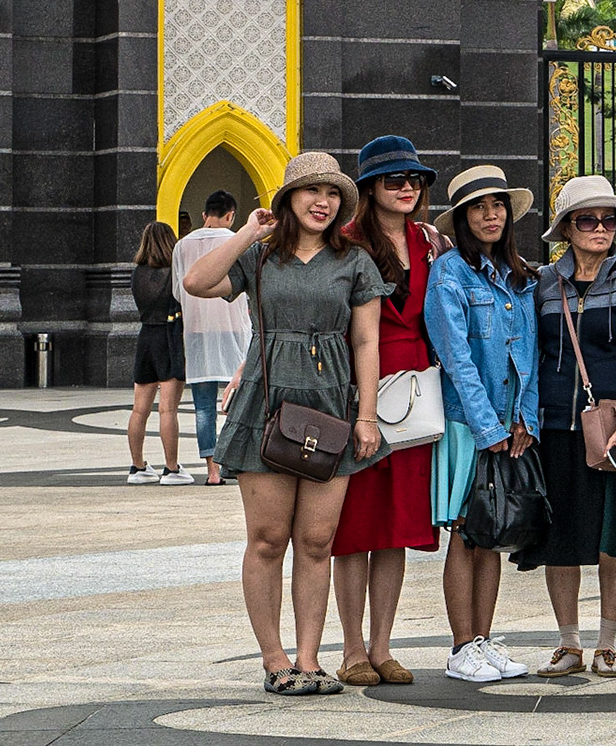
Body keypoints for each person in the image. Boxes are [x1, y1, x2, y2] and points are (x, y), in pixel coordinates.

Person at [182, 152, 389, 696]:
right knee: (269, 538)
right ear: (287, 199)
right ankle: (275, 660)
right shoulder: (259, 258)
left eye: (332, 194)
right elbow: (197, 282)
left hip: (330, 406)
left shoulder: (355, 261)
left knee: (317, 540)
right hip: (265, 404)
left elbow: (367, 341)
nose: (322, 202)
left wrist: (366, 416)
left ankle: (309, 658)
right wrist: (248, 231)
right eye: (310, 191)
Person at [513, 175, 616, 679]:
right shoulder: (542, 283)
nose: (600, 228)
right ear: (567, 229)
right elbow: (530, 352)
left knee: (614, 534)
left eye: (608, 219)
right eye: (587, 220)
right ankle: (569, 642)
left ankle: (608, 643)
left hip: (615, 425)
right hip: (554, 424)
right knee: (561, 534)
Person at [331, 137, 448, 687]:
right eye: (393, 180)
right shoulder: (346, 242)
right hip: (362, 392)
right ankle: (352, 649)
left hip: (419, 392)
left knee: (397, 527)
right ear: (369, 189)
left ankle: (383, 646)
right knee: (355, 527)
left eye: (414, 180)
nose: (406, 188)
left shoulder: (430, 242)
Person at [424, 165, 542, 684]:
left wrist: (525, 418)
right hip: (467, 422)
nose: (490, 215)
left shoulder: (522, 276)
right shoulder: (449, 273)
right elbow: (455, 357)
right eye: (478, 207)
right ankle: (460, 647)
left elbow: (532, 355)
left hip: (510, 423)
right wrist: (488, 425)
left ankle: (485, 640)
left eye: (497, 205)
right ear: (463, 218)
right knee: (467, 533)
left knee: (494, 533)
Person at [174, 190, 251, 485]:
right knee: (240, 400)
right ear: (231, 215)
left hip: (196, 330)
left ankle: (212, 471)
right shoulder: (237, 242)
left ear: (205, 215)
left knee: (203, 406)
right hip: (234, 328)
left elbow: (178, 291)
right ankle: (235, 462)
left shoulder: (182, 246)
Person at [129, 221, 192, 486]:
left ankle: (137, 466)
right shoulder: (174, 272)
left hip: (146, 336)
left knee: (139, 409)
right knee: (168, 409)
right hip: (169, 337)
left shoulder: (137, 273)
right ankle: (171, 468)